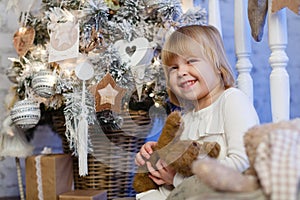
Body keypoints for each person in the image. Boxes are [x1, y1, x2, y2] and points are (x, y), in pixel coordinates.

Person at [134, 25, 260, 200]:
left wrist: (177, 179)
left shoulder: (232, 100)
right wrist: (155, 157)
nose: (181, 72)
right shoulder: (184, 119)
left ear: (217, 66)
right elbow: (177, 166)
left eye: (191, 61)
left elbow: (241, 165)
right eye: (173, 68)